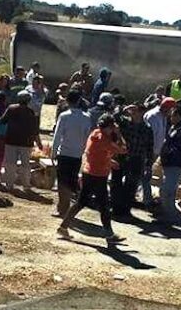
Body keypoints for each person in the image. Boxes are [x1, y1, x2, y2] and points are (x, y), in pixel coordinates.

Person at [57, 114, 127, 245]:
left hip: (89, 172)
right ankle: (109, 235)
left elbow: (96, 153)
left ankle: (63, 227)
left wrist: (109, 161)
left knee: (81, 202)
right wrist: (119, 134)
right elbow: (123, 149)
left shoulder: (95, 133)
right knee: (103, 205)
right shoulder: (104, 139)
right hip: (98, 175)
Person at [51, 90, 93, 217]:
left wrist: (53, 152)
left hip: (64, 153)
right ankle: (69, 208)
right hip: (77, 155)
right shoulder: (87, 118)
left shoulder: (64, 116)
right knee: (72, 181)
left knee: (62, 182)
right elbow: (87, 137)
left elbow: (57, 136)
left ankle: (62, 208)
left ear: (67, 101)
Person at [112, 103, 154, 219]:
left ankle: (125, 210)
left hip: (136, 159)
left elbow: (149, 147)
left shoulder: (147, 128)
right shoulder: (124, 122)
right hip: (121, 156)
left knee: (131, 186)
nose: (134, 113)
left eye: (137, 111)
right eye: (133, 111)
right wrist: (124, 109)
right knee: (116, 183)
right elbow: (113, 116)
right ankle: (116, 209)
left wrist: (148, 164)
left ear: (142, 112)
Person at [0, 90, 44, 192]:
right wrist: (39, 143)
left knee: (10, 164)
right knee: (25, 165)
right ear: (28, 101)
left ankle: (9, 184)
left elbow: (2, 121)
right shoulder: (31, 112)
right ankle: (26, 185)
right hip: (26, 143)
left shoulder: (11, 109)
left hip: (11, 140)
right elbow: (35, 130)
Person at [142, 97, 176, 206]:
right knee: (145, 174)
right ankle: (147, 200)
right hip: (148, 151)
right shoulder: (153, 116)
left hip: (155, 151)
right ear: (166, 108)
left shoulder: (163, 117)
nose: (172, 113)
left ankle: (143, 197)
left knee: (145, 174)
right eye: (171, 110)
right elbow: (148, 136)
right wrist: (150, 152)